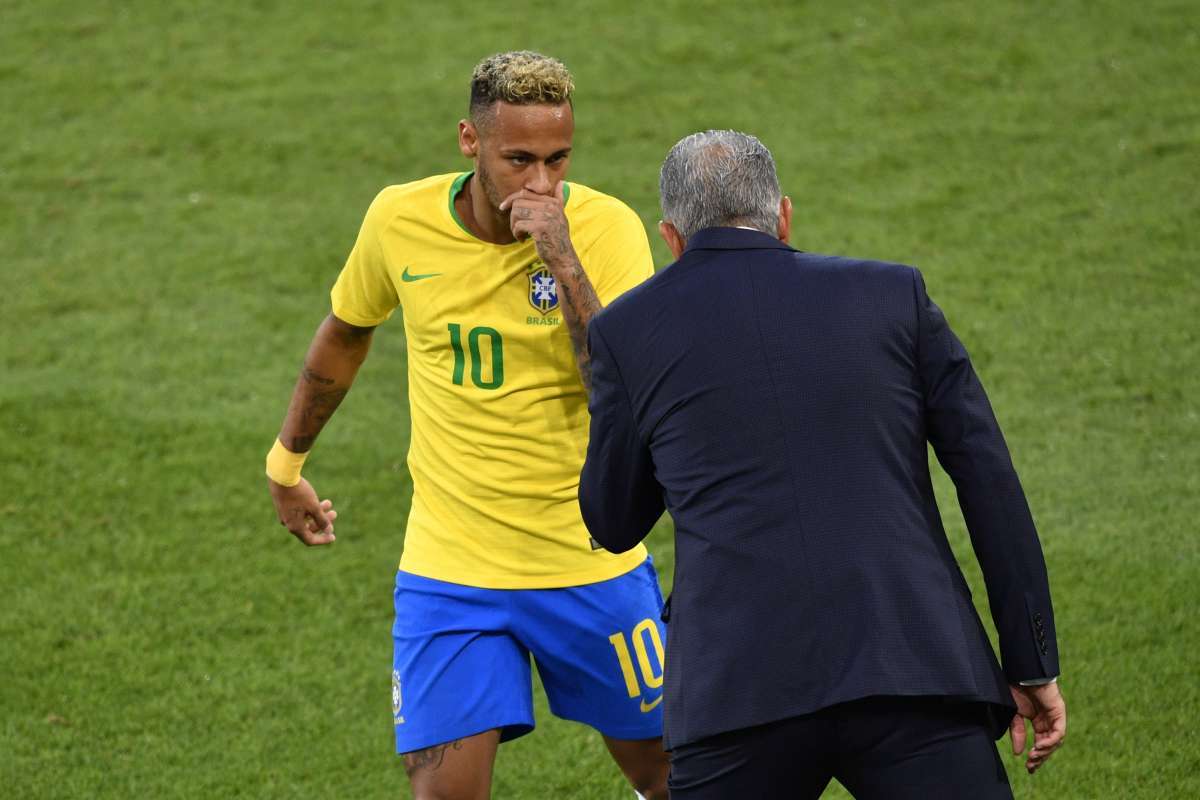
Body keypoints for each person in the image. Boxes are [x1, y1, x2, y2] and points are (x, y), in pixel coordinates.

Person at [578, 130, 1067, 799]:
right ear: (783, 215)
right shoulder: (895, 295)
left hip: (735, 692)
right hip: (912, 667)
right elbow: (989, 481)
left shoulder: (626, 332)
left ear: (670, 237)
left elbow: (612, 519)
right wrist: (1030, 661)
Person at [264, 52, 669, 800]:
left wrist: (564, 260)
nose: (541, 184)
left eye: (557, 159)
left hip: (590, 558)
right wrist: (285, 466)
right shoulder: (400, 220)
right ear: (469, 141)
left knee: (673, 777)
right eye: (519, 160)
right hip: (451, 571)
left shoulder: (605, 229)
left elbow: (625, 396)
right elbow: (347, 333)